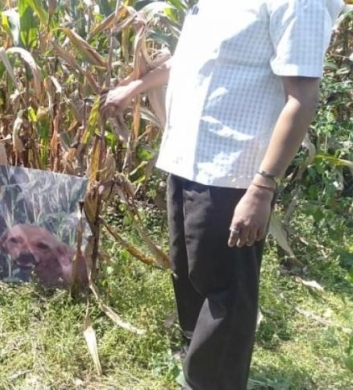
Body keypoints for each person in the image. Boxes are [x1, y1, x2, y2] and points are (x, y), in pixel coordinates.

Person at [102, 1, 344, 389]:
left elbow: (302, 97)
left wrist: (262, 187)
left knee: (226, 292)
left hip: (233, 173)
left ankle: (213, 382)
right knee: (190, 275)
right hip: (187, 159)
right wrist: (136, 86)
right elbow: (194, 61)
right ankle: (199, 371)